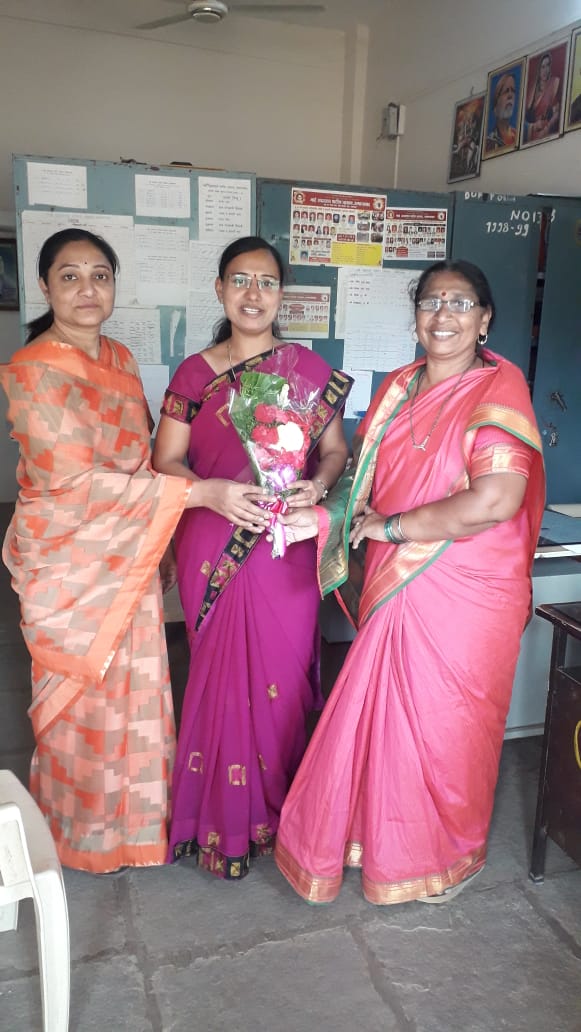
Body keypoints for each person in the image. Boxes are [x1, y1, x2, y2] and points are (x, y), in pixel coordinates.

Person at [274, 259, 545, 905]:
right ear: (416, 315)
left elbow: (495, 501)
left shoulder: (499, 389)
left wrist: (393, 529)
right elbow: (358, 483)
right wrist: (320, 509)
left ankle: (440, 857)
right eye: (430, 301)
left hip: (467, 590)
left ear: (484, 319)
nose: (443, 315)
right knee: (387, 720)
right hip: (397, 581)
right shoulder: (397, 387)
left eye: (460, 302)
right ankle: (375, 839)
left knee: (447, 725)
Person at [152, 235, 352, 879]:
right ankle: (218, 823)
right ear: (220, 289)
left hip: (285, 544)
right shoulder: (194, 374)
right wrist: (213, 492)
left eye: (266, 282)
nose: (253, 293)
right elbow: (165, 461)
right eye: (240, 280)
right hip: (214, 537)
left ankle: (278, 813)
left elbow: (334, 453)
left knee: (282, 683)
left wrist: (317, 486)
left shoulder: (308, 371)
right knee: (218, 677)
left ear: (280, 294)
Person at [0, 228, 196, 874]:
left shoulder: (121, 359)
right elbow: (72, 483)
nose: (87, 289)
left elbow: (142, 457)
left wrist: (160, 540)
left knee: (137, 689)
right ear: (44, 286)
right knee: (79, 696)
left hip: (129, 550)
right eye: (70, 276)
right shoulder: (34, 369)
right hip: (69, 564)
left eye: (100, 276)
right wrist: (193, 496)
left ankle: (136, 828)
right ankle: (79, 833)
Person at [523, 52, 560, 142]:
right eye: (542, 67)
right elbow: (523, 118)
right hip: (531, 133)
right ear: (538, 69)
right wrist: (533, 126)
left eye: (548, 65)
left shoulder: (554, 83)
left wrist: (547, 128)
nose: (545, 70)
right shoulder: (532, 89)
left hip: (546, 131)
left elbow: (557, 112)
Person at [485, 73, 518, 153]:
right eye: (506, 91)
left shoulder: (517, 135)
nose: (510, 95)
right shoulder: (488, 142)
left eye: (513, 91)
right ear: (495, 106)